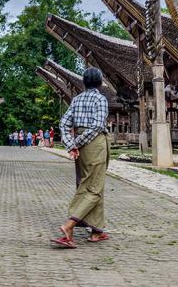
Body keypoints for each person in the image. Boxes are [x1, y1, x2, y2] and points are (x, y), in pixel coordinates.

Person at [51, 67, 110, 248]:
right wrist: (76, 142)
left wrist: (71, 143)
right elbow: (97, 126)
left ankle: (96, 231)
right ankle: (69, 226)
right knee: (94, 188)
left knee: (89, 182)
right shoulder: (100, 99)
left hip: (82, 146)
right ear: (99, 83)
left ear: (84, 82)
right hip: (95, 144)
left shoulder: (76, 100)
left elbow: (64, 123)